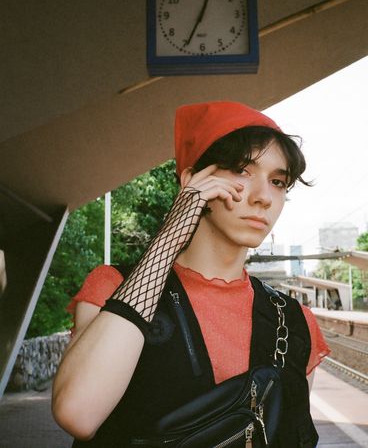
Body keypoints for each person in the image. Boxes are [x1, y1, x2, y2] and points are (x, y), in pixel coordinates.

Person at [52, 101, 330, 447]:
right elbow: (77, 414)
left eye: (278, 181)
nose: (263, 198)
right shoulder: (112, 286)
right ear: (191, 179)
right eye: (242, 170)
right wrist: (171, 233)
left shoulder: (294, 321)